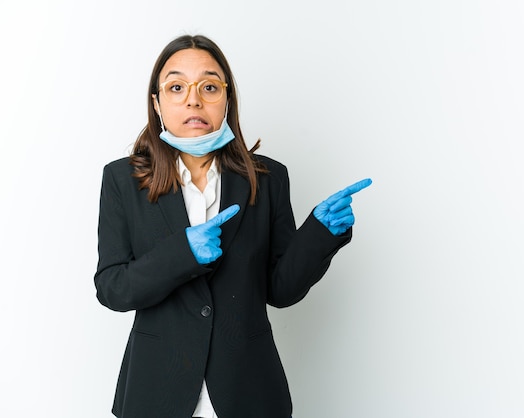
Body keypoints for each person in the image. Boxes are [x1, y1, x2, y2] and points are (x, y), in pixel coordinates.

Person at [94, 34, 371, 418]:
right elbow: (112, 288)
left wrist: (321, 234)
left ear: (227, 99)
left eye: (209, 86)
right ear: (157, 103)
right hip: (156, 391)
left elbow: (280, 290)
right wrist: (183, 254)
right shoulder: (122, 180)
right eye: (176, 87)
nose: (194, 100)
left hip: (250, 391)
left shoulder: (268, 177)